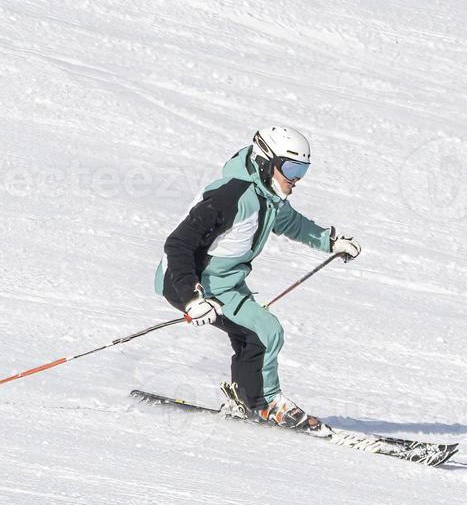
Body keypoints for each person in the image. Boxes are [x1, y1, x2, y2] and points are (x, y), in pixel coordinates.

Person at [154, 125, 360, 433]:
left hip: (225, 283)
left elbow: (290, 222)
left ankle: (248, 400)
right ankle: (265, 404)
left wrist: (330, 242)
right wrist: (192, 297)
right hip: (193, 284)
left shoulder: (267, 194)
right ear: (266, 161)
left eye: (303, 169)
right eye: (291, 167)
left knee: (253, 334)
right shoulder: (230, 196)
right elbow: (179, 244)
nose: (296, 178)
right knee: (265, 331)